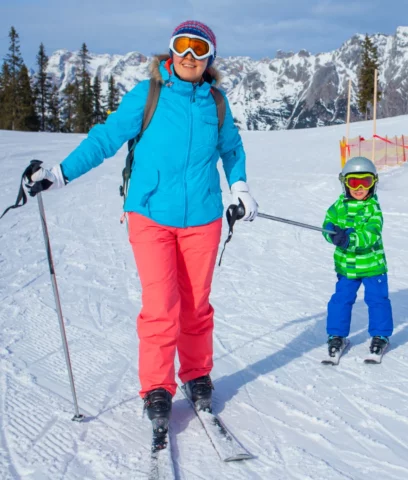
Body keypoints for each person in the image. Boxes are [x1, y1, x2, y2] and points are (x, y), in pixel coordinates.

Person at [23, 21, 258, 425]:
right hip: (149, 214)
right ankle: (156, 387)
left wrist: (239, 185)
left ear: (209, 58)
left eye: (198, 48)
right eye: (182, 45)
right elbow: (106, 138)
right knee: (161, 305)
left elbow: (231, 148)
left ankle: (197, 374)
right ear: (171, 51)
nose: (189, 54)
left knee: (196, 304)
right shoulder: (148, 95)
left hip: (202, 218)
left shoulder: (216, 102)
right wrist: (61, 173)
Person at [322, 157, 393, 359]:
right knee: (340, 300)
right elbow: (327, 225)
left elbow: (371, 234)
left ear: (374, 183)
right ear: (345, 183)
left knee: (377, 300)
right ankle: (337, 335)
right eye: (354, 182)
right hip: (347, 268)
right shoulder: (338, 206)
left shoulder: (373, 209)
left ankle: (381, 335)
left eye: (366, 182)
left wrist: (349, 239)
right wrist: (331, 233)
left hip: (373, 266)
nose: (360, 187)